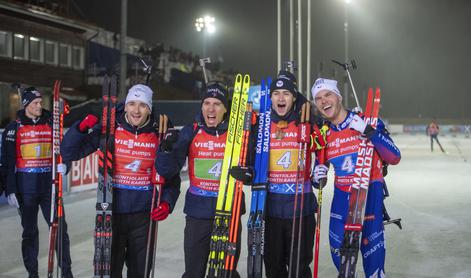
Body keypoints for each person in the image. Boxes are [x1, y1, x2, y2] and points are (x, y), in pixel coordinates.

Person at [60, 84, 180, 278]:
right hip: (111, 213)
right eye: (132, 103)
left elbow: (171, 176)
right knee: (109, 272)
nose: (136, 110)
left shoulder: (159, 133)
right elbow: (68, 152)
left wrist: (167, 202)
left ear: (149, 108)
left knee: (139, 272)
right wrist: (81, 128)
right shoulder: (110, 128)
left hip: (144, 215)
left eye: (142, 105)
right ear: (125, 105)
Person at [310, 78, 401, 277]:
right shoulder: (323, 134)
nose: (323, 101)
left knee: (374, 264)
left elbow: (394, 157)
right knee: (340, 259)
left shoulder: (367, 121)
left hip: (370, 197)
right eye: (318, 98)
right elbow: (319, 175)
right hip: (342, 203)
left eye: (328, 95)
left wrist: (370, 132)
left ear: (339, 97)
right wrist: (317, 177)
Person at [156, 82, 246, 278]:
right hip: (198, 214)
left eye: (217, 104)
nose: (211, 108)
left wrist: (249, 173)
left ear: (225, 108)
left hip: (230, 211)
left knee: (226, 273)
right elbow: (168, 170)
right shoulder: (191, 131)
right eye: (206, 103)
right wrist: (165, 149)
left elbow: (253, 165)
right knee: (194, 272)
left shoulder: (238, 134)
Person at [0, 87, 73, 278]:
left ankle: (66, 272)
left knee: (59, 230)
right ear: (26, 105)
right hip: (26, 190)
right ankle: (32, 273)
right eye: (35, 103)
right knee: (30, 233)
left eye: (41, 102)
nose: (40, 106)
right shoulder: (13, 129)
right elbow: (7, 163)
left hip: (50, 188)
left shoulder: (52, 124)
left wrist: (65, 165)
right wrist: (10, 190)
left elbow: (65, 150)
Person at [257, 72, 320, 278]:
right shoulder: (262, 125)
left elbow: (324, 152)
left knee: (299, 268)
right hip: (272, 210)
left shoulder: (308, 123)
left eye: (286, 93)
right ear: (271, 97)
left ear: (294, 97)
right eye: (276, 93)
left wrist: (321, 171)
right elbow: (250, 160)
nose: (281, 98)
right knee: (273, 266)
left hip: (301, 210)